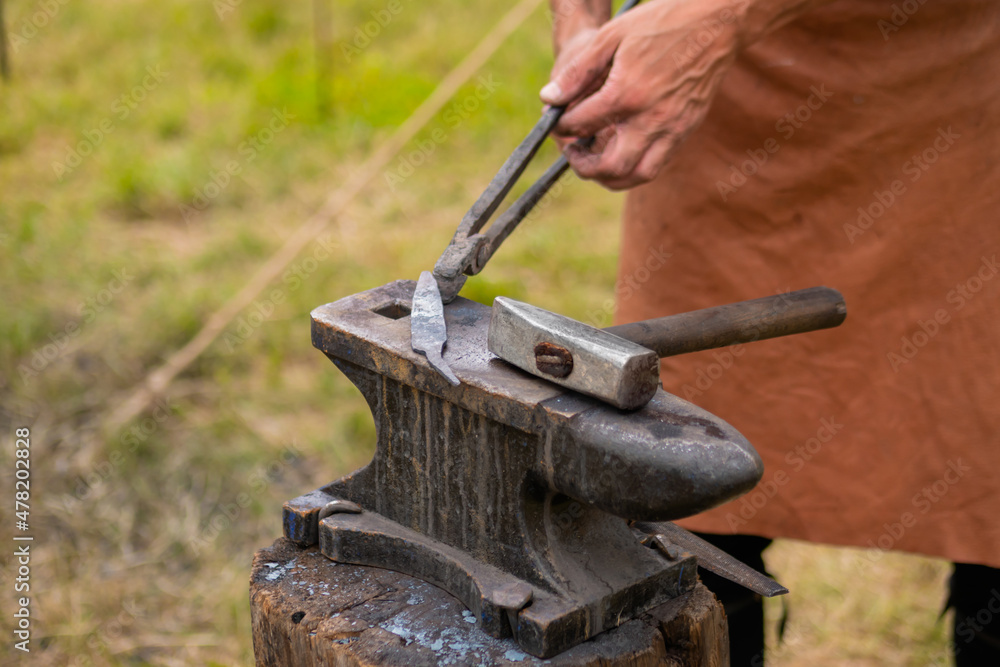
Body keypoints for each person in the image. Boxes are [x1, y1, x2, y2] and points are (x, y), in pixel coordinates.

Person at [542, 0, 1000, 664]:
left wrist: (726, 12)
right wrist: (578, 20)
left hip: (958, 95)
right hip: (722, 119)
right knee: (689, 513)